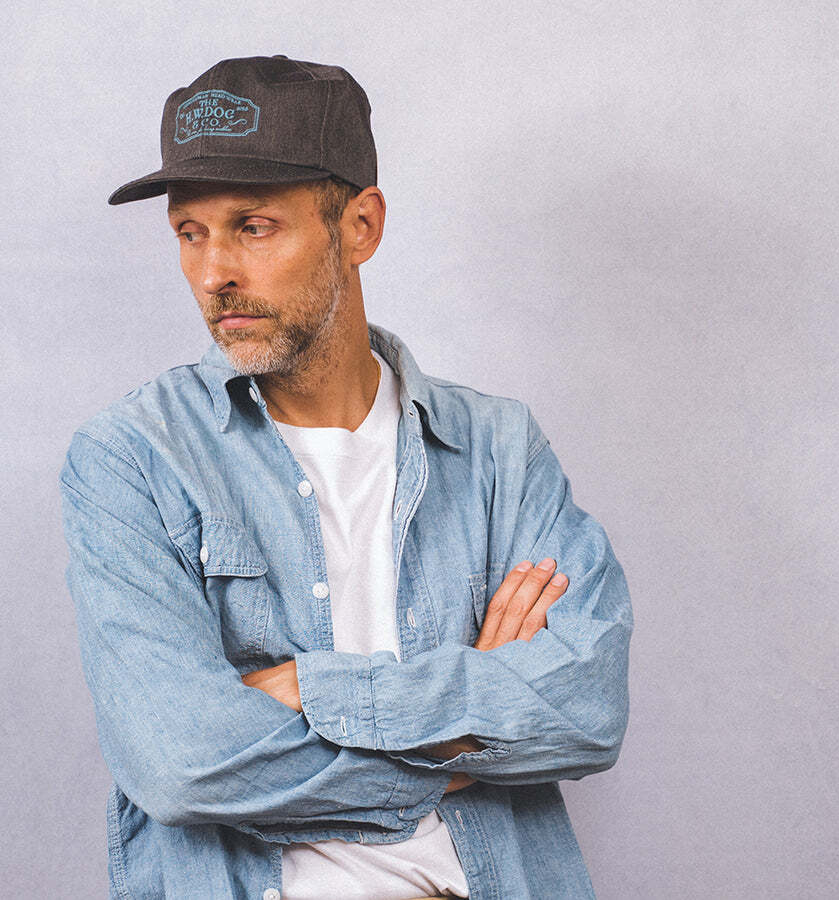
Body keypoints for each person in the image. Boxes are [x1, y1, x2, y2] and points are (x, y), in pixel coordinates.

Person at [60, 55, 633, 900]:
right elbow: (181, 761)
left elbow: (586, 708)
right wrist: (465, 738)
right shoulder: (133, 457)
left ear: (360, 226)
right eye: (190, 233)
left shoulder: (498, 448)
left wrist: (316, 690)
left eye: (254, 226)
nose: (214, 273)